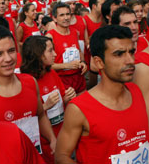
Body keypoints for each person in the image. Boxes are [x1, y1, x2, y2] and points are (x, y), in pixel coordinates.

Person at [55, 25, 149, 164]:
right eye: (119, 54)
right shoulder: (79, 108)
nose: (129, 60)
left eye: (131, 52)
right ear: (99, 62)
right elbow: (62, 156)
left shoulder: (137, 91)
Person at [0, 25, 56, 155]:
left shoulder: (30, 82)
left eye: (11, 51)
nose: (8, 59)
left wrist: (52, 138)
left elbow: (40, 115)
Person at [20, 35, 76, 163]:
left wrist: (67, 97)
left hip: (61, 134)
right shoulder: (27, 81)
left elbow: (61, 98)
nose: (55, 54)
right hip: (44, 142)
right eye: (50, 51)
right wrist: (45, 106)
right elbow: (25, 117)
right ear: (38, 54)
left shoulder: (52, 73)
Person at [46, 2, 87, 94]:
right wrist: (67, 65)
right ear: (54, 18)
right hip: (62, 80)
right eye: (62, 15)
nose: (66, 18)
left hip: (79, 77)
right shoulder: (50, 36)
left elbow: (80, 52)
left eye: (68, 14)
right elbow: (46, 65)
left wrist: (83, 62)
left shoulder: (75, 32)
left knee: (84, 105)